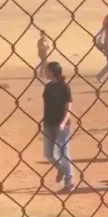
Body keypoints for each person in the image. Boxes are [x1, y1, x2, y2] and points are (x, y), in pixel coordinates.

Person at [43, 61, 74, 192]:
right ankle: (61, 169)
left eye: (47, 70)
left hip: (62, 124)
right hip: (48, 123)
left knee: (63, 152)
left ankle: (69, 180)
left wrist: (63, 122)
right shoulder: (48, 87)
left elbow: (69, 108)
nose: (45, 72)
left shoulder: (64, 87)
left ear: (52, 72)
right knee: (48, 154)